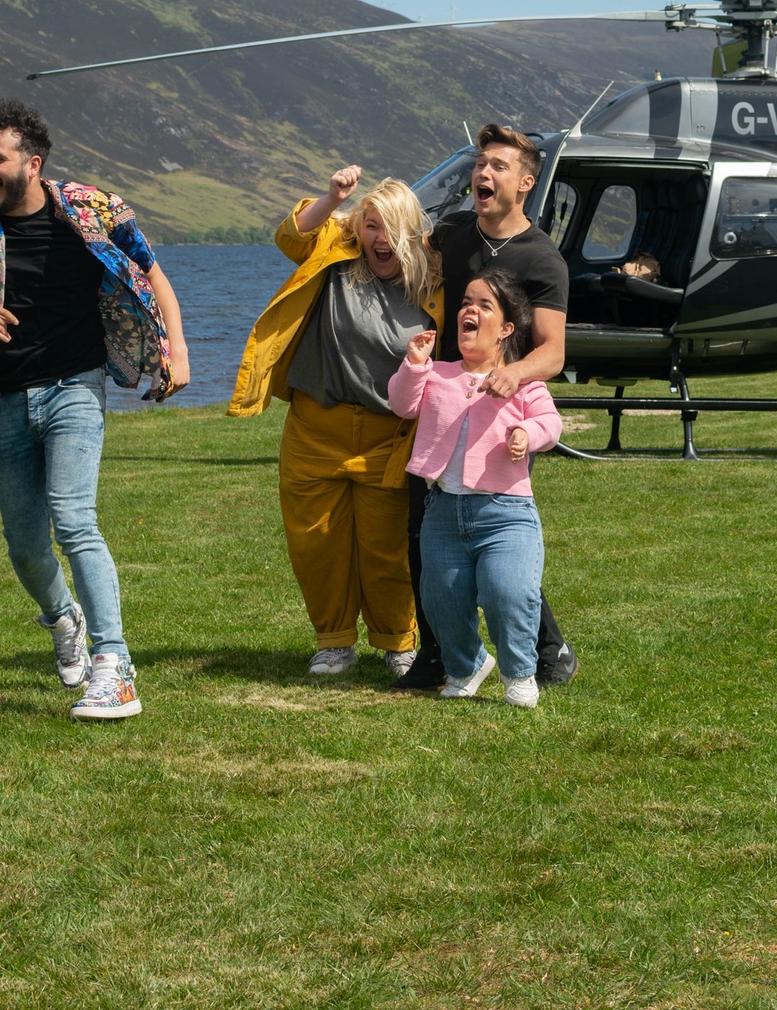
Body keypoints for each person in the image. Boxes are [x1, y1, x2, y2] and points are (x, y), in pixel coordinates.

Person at [0, 98, 189, 721]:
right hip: (2, 396)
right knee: (24, 543)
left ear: (32, 163)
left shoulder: (93, 211)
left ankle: (114, 667)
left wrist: (178, 351)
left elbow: (154, 275)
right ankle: (65, 616)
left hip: (75, 387)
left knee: (74, 518)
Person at [229, 166, 442, 675]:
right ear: (357, 229)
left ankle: (399, 642)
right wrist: (332, 198)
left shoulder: (434, 281)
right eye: (371, 226)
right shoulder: (336, 252)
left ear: (413, 232)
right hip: (314, 427)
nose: (380, 238)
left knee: (386, 547)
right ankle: (333, 642)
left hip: (388, 434)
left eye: (391, 228)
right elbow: (291, 234)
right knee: (317, 543)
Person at [391, 122, 579, 692]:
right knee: (430, 537)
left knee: (502, 546)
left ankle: (545, 649)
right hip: (444, 405)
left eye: (498, 166)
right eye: (481, 164)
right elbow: (396, 256)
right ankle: (444, 654)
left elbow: (553, 351)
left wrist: (510, 376)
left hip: (504, 418)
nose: (483, 174)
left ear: (525, 183)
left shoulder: (543, 260)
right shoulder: (450, 234)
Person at [390, 271, 562, 707]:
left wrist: (527, 431)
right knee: (441, 597)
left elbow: (551, 423)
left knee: (509, 591)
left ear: (506, 328)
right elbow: (402, 404)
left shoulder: (522, 381)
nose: (470, 309)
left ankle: (520, 673)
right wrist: (414, 364)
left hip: (506, 513)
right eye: (467, 302)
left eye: (485, 305)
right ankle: (466, 666)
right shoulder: (438, 374)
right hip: (443, 512)